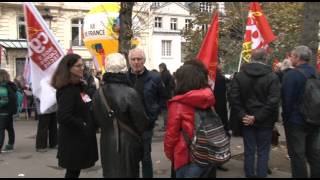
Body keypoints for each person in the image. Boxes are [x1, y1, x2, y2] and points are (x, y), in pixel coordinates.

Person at [92, 53, 149, 178]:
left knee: (110, 173)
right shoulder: (129, 92)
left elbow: (96, 119)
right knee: (128, 173)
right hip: (128, 144)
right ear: (124, 69)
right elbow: (142, 122)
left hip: (106, 142)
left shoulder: (98, 93)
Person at [229, 48, 280, 178]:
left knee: (249, 150)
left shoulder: (240, 76)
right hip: (264, 121)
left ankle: (250, 174)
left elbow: (234, 98)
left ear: (252, 58)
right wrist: (255, 117)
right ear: (265, 58)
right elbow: (273, 101)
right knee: (263, 151)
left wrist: (246, 116)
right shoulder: (272, 76)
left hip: (249, 119)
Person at [164, 60, 215, 178]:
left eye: (177, 79)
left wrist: (171, 155)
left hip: (186, 157)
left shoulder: (178, 104)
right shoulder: (207, 97)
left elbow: (171, 136)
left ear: (182, 81)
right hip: (208, 154)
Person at [51, 54, 98, 178]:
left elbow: (86, 104)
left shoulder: (79, 86)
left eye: (82, 65)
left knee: (74, 172)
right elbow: (63, 116)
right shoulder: (68, 90)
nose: (82, 68)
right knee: (72, 172)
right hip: (73, 141)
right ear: (68, 68)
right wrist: (83, 124)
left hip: (80, 139)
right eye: (78, 66)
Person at [127, 48, 167, 178]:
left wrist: (154, 114)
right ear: (129, 61)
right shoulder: (124, 78)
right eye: (133, 59)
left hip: (146, 125)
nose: (136, 62)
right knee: (131, 159)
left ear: (144, 60)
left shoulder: (154, 77)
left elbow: (163, 98)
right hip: (128, 126)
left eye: (139, 59)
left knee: (145, 157)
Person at [281, 45, 320, 178]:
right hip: (315, 119)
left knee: (297, 156)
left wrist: (286, 119)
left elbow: (287, 101)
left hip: (296, 121)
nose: (290, 58)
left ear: (297, 57)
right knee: (314, 155)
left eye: (292, 55)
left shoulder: (292, 75)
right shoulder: (316, 74)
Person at [0, 69, 17, 153]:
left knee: (1, 130)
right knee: (10, 129)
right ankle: (10, 145)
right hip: (10, 112)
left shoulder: (2, 86)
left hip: (3, 112)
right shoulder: (10, 86)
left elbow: (4, 100)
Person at [158, 63, 175, 130]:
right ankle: (168, 125)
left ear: (162, 67)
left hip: (164, 95)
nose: (159, 70)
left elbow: (161, 84)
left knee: (165, 111)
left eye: (159, 68)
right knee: (168, 111)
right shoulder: (169, 74)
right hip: (168, 95)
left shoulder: (164, 74)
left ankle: (166, 126)